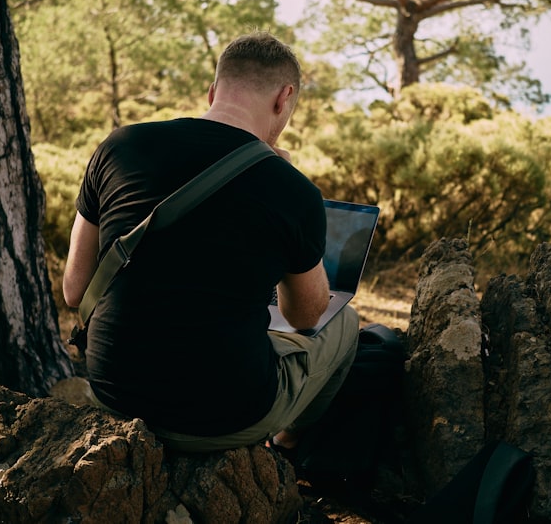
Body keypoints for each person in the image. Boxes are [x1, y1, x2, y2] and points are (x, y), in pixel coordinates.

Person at [62, 31, 358, 453]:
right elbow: (307, 315)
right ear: (284, 98)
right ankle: (289, 446)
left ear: (213, 90)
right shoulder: (292, 188)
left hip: (115, 396)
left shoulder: (119, 145)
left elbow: (75, 291)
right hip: (222, 418)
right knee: (345, 320)